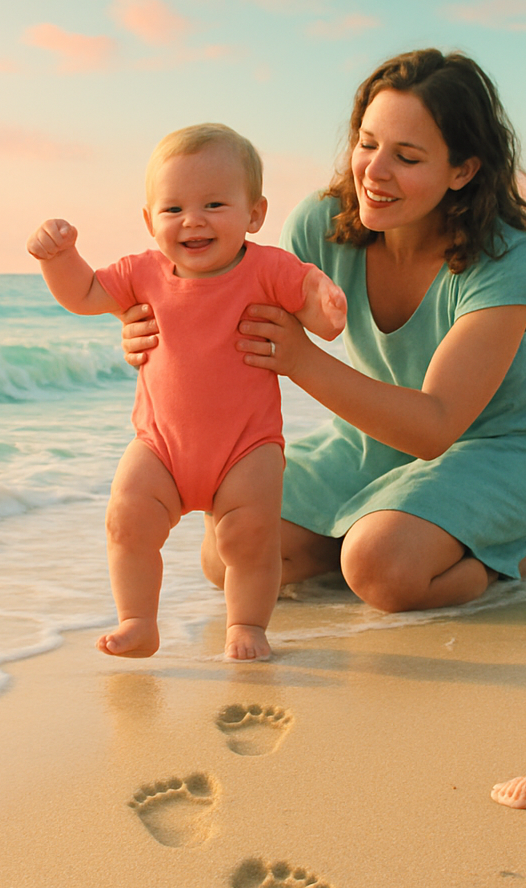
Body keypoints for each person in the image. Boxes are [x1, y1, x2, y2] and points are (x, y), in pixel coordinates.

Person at [120, 50, 526, 614]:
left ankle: (511, 555)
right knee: (227, 553)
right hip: (373, 442)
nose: (374, 172)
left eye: (406, 157)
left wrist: (302, 360)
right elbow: (226, 310)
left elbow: (434, 428)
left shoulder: (506, 256)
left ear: (463, 170)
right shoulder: (321, 224)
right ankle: (391, 533)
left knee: (381, 570)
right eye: (367, 143)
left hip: (504, 448)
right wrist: (149, 328)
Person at [27, 123, 346, 661]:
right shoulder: (141, 273)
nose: (192, 220)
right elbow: (83, 294)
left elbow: (312, 298)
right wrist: (57, 259)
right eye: (173, 209)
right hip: (160, 446)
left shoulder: (268, 268)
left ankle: (247, 625)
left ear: (255, 214)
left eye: (215, 204)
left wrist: (326, 305)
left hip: (247, 448)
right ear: (150, 221)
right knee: (126, 518)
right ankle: (137, 620)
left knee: (250, 539)